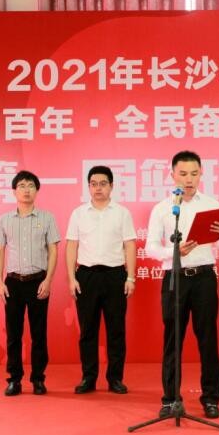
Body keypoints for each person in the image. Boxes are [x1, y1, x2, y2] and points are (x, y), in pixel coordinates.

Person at [146, 151, 219, 419]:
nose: (189, 179)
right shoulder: (163, 208)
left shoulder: (211, 204)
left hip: (204, 277)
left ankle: (211, 398)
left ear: (201, 174)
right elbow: (151, 247)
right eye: (183, 174)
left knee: (207, 338)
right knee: (173, 338)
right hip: (175, 278)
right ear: (172, 174)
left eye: (194, 174)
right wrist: (174, 251)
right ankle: (170, 398)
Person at [65, 165, 137, 394]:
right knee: (88, 331)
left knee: (116, 330)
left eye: (103, 184)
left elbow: (129, 245)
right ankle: (88, 377)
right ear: (89, 187)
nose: (98, 188)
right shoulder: (78, 213)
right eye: (94, 184)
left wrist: (131, 277)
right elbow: (72, 246)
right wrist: (71, 278)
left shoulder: (122, 213)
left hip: (115, 276)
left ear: (111, 186)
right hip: (86, 276)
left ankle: (115, 378)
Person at [0, 170, 60, 396]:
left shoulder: (47, 218)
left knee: (39, 334)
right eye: (21, 186)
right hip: (13, 282)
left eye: (31, 185)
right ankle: (14, 379)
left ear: (37, 190)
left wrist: (48, 280)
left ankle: (38, 379)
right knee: (14, 334)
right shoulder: (4, 220)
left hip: (38, 281)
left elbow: (53, 250)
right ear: (14, 191)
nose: (26, 190)